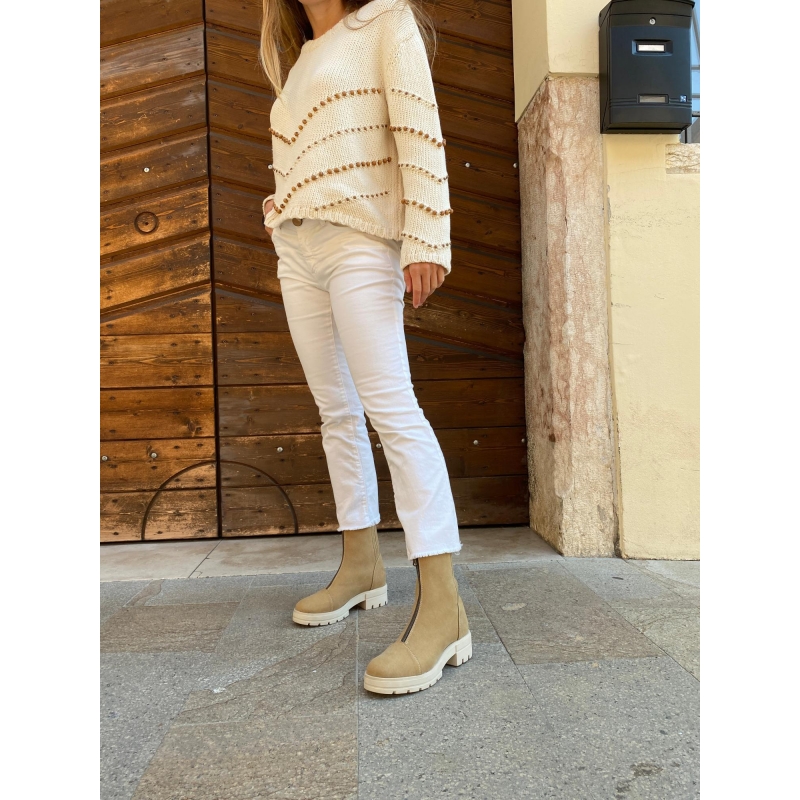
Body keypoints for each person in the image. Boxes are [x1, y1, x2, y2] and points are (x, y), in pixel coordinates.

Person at [258, 0, 471, 695]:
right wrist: (281, 204)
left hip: (359, 240)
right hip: (298, 247)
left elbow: (418, 128)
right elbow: (310, 151)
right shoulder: (297, 59)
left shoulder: (384, 21)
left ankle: (443, 609)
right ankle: (360, 565)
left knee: (391, 409)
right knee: (336, 411)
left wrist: (427, 236)